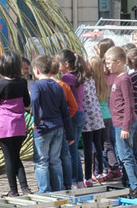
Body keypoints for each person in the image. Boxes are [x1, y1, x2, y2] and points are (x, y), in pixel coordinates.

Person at [0, 50, 32, 197]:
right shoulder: (22, 82)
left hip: (5, 126)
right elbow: (27, 102)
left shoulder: (0, 84)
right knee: (16, 156)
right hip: (20, 125)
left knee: (9, 158)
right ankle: (25, 187)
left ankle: (13, 191)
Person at [30, 55, 74, 194]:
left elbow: (35, 100)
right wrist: (70, 133)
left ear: (36, 70)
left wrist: (35, 120)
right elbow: (65, 111)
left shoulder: (36, 85)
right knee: (55, 160)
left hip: (43, 128)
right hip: (58, 127)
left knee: (42, 161)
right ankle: (58, 190)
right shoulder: (57, 86)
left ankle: (44, 191)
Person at [104, 46, 137, 198]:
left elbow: (129, 104)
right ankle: (127, 182)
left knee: (125, 155)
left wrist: (126, 127)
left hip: (124, 123)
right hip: (117, 122)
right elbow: (105, 74)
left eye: (109, 63)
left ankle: (135, 186)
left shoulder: (124, 79)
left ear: (119, 62)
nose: (107, 66)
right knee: (122, 154)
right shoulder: (116, 77)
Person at [55, 49, 86, 189]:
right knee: (74, 150)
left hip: (72, 116)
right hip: (80, 114)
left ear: (66, 64)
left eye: (58, 63)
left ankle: (73, 181)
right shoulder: (78, 76)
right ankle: (79, 180)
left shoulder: (66, 78)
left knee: (70, 150)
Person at [90, 56, 121, 181]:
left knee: (96, 144)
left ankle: (99, 169)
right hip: (107, 114)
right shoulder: (105, 80)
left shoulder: (92, 81)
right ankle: (114, 167)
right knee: (107, 143)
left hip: (98, 116)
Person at [50, 59, 77, 190]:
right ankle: (68, 183)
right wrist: (66, 117)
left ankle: (56, 185)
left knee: (53, 157)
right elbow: (73, 106)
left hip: (49, 126)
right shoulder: (63, 85)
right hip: (62, 124)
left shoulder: (44, 85)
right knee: (65, 155)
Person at [81, 58, 105, 187]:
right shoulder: (91, 79)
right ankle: (100, 172)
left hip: (87, 118)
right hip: (97, 115)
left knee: (88, 148)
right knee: (98, 145)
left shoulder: (81, 81)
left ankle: (88, 177)